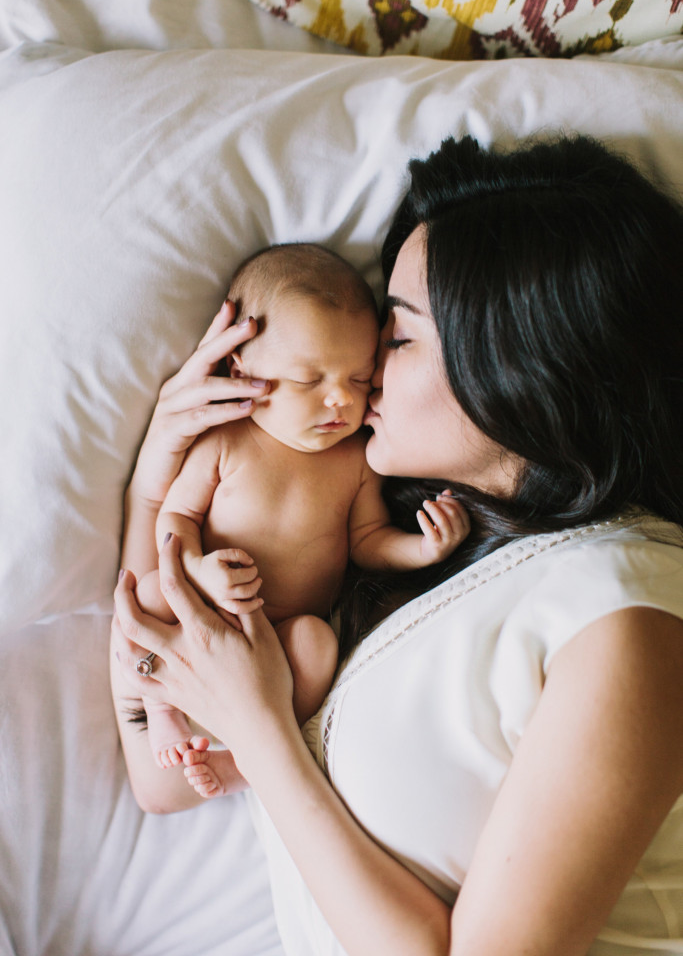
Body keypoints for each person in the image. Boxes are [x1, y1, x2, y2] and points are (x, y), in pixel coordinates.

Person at [112, 134, 683, 955]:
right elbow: (163, 774)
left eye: (399, 336)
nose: (362, 372)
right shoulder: (446, 578)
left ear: (514, 362)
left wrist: (262, 725)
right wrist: (156, 484)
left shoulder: (628, 616)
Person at [111, 243, 467, 804]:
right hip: (204, 602)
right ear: (241, 370)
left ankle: (244, 761)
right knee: (154, 590)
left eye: (358, 379)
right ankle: (161, 709)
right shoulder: (225, 442)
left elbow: (367, 541)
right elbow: (177, 517)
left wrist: (420, 550)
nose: (340, 402)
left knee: (317, 644)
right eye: (309, 381)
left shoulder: (355, 461)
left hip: (278, 642)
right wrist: (200, 572)